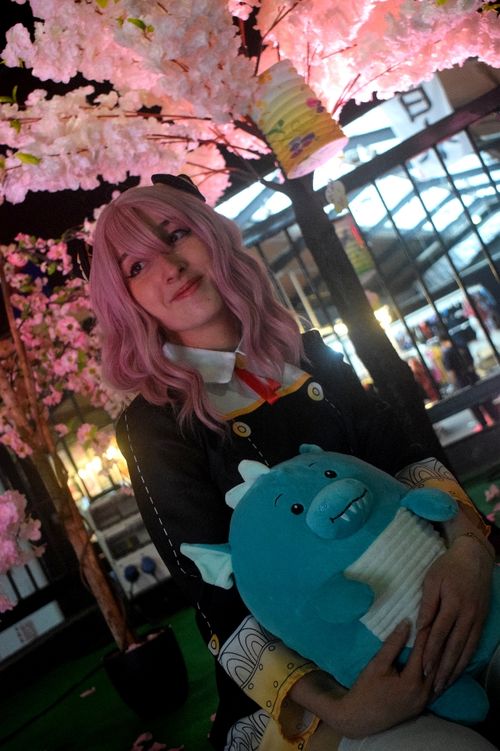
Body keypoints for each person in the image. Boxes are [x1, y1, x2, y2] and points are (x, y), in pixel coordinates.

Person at [90, 175, 498, 751]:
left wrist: (470, 552)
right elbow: (214, 595)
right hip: (324, 684)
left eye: (176, 235)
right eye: (136, 266)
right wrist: (345, 710)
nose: (169, 267)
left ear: (210, 234)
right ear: (125, 300)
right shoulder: (152, 425)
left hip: (443, 598)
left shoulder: (311, 354)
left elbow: (408, 463)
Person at [439, 334, 498, 428]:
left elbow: (451, 372)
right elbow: (472, 361)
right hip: (474, 377)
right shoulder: (462, 346)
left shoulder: (447, 353)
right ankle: (496, 420)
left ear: (443, 341)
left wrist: (454, 385)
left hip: (462, 381)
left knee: (473, 404)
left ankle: (484, 425)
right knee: (485, 399)